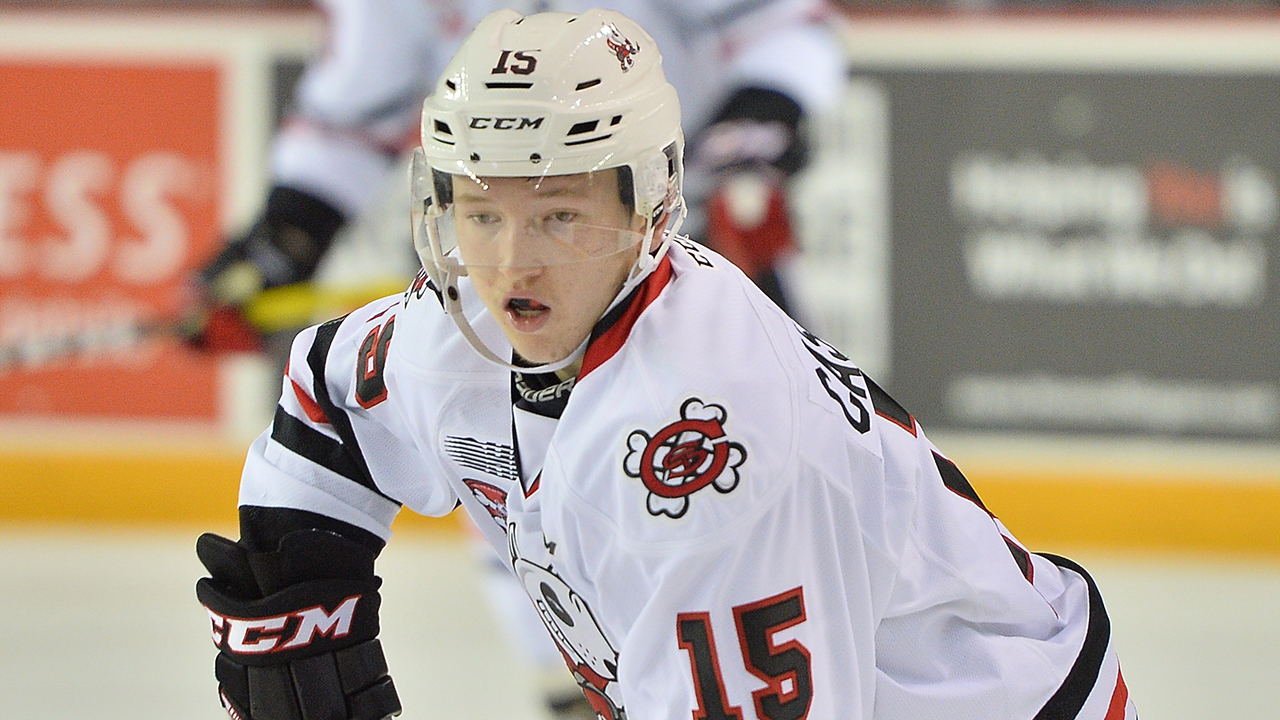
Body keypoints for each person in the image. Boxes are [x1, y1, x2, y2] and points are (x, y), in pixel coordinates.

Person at [195, 8, 1136, 720]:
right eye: (482, 213)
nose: (512, 265)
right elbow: (330, 399)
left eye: (559, 212)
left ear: (652, 211)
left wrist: (756, 126)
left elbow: (783, 31)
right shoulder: (453, 336)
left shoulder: (713, 452)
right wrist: (299, 596)